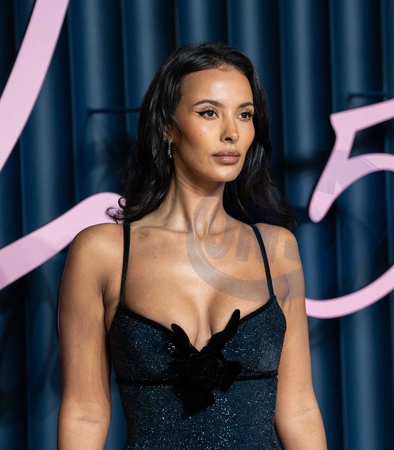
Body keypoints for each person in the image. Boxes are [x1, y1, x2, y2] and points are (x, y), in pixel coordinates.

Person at [57, 43, 326, 449]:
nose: (232, 132)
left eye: (245, 114)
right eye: (209, 112)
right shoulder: (103, 252)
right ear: (167, 126)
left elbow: (299, 408)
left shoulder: (275, 249)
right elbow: (85, 412)